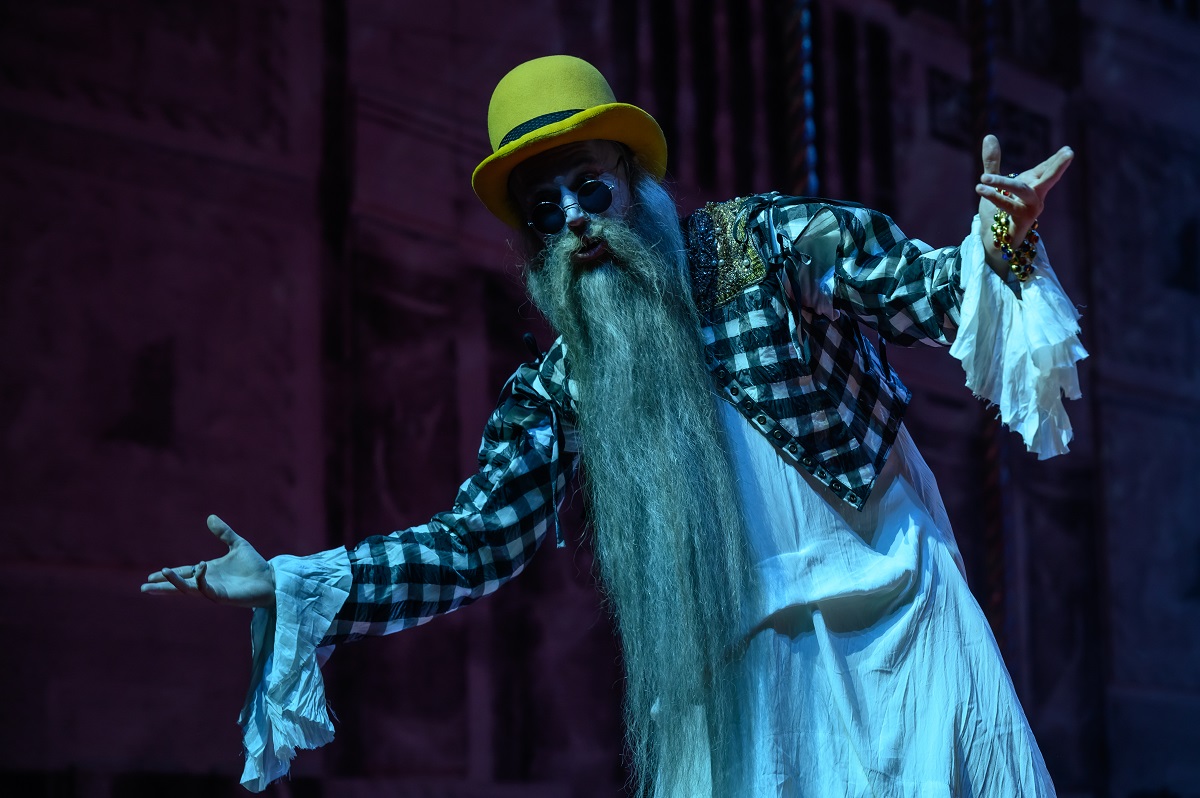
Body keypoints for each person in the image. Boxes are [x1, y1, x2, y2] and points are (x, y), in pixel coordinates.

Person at [142, 55, 1085, 796]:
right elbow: (475, 542)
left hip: (900, 623)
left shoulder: (764, 244)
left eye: (590, 189)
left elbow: (921, 290)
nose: (578, 224)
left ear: (633, 181)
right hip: (744, 689)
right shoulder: (562, 388)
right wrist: (294, 583)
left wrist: (1000, 243)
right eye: (547, 214)